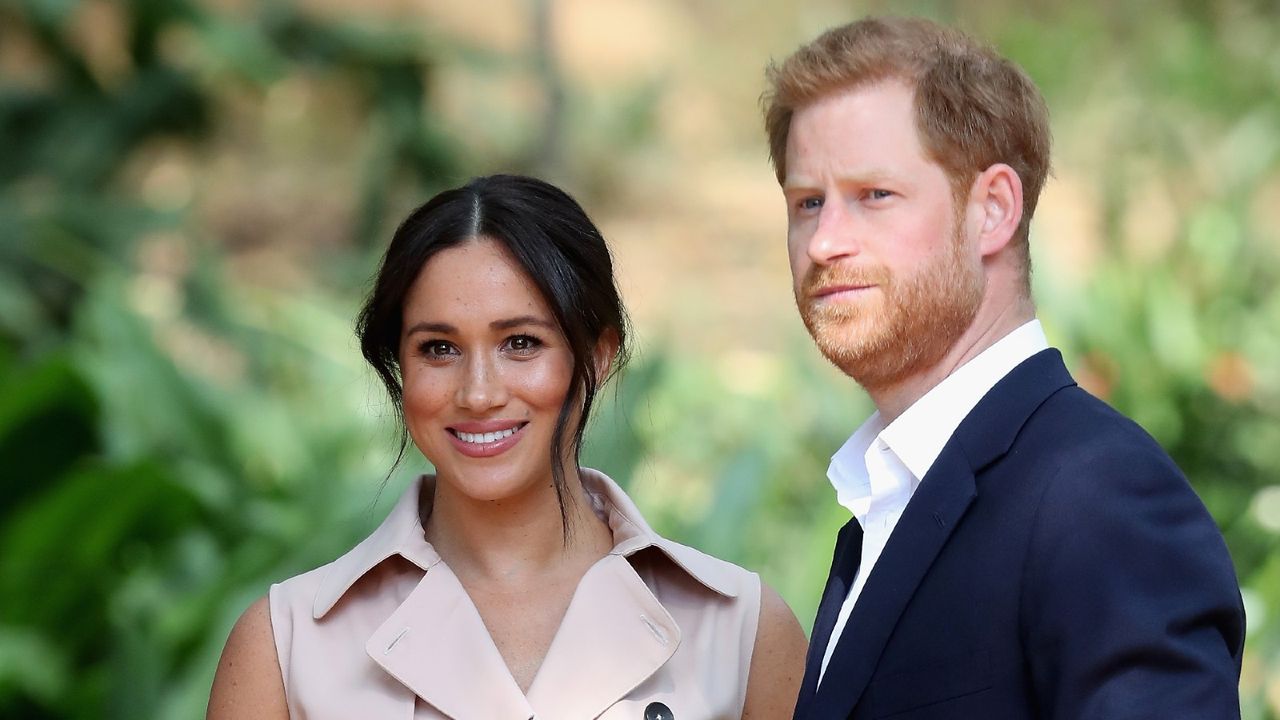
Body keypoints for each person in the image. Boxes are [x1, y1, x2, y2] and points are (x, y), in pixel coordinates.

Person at [761, 16, 1245, 719]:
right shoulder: (888, 501)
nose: (825, 240)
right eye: (809, 203)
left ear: (992, 210)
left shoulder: (1099, 497)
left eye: (874, 195)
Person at [207, 174, 807, 719]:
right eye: (438, 349)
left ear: (595, 357)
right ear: (399, 367)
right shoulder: (285, 646)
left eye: (520, 342)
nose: (478, 392)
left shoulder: (743, 633)